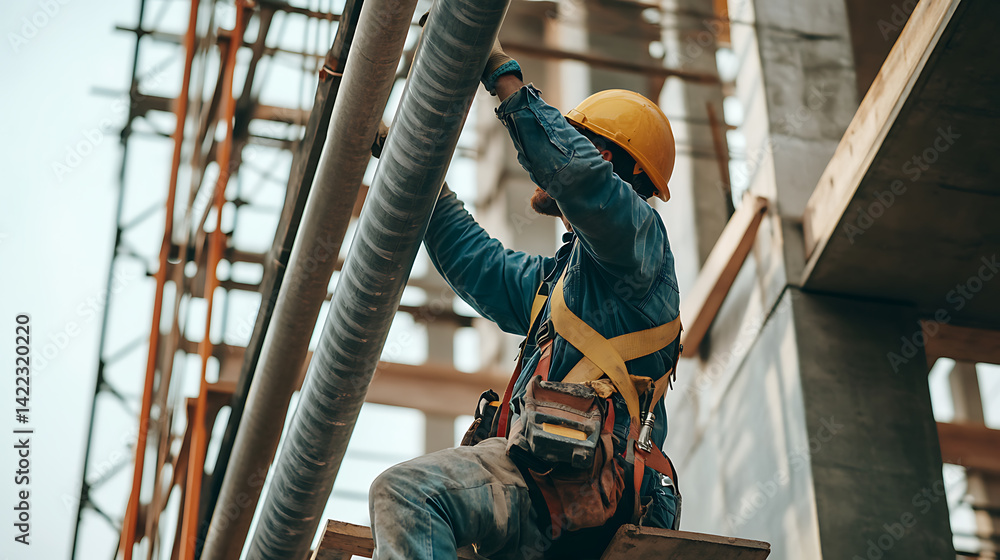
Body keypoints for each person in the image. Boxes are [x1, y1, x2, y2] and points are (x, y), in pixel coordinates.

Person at [369, 39, 682, 560]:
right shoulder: (562, 283)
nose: (544, 159)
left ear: (602, 158)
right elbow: (477, 262)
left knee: (408, 494)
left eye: (571, 139)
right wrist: (404, 163)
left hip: (585, 480)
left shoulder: (638, 243)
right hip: (553, 480)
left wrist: (503, 77)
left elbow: (576, 176)